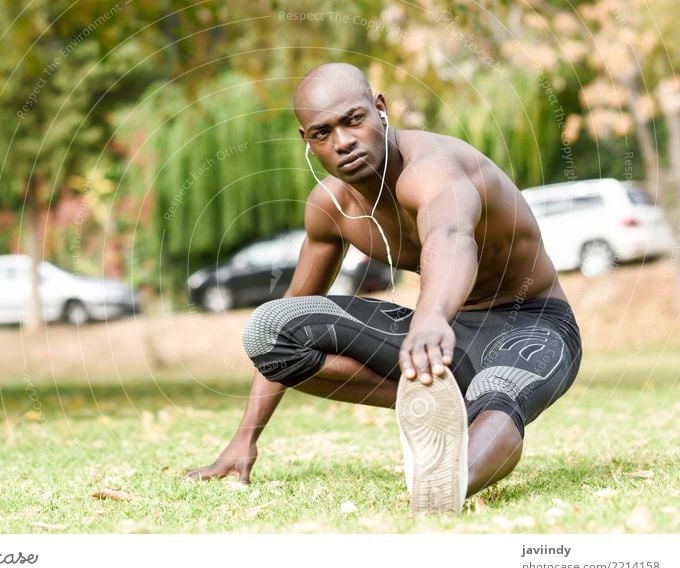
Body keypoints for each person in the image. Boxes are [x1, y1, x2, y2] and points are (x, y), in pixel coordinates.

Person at [185, 62, 582, 513]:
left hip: (529, 322)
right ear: (307, 141)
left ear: (380, 109)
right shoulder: (330, 208)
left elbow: (451, 236)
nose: (343, 142)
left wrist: (431, 318)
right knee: (272, 330)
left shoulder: (434, 168)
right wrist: (243, 441)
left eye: (353, 119)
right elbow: (295, 305)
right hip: (443, 334)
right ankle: (439, 402)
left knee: (499, 392)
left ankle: (443, 484)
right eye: (323, 133)